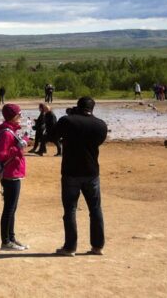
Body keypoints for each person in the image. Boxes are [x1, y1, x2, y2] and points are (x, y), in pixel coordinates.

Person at [46, 97, 108, 256]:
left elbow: (52, 135)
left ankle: (70, 247)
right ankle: (98, 246)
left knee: (70, 210)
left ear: (78, 106)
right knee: (95, 209)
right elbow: (97, 142)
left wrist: (50, 116)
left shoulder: (67, 121)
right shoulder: (101, 125)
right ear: (92, 108)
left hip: (71, 171)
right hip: (91, 171)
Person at [0, 104, 30, 251]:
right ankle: (6, 242)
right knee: (9, 209)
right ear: (12, 116)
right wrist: (18, 147)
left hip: (14, 174)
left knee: (12, 208)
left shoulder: (11, 132)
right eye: (19, 114)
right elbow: (1, 155)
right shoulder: (7, 133)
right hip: (10, 175)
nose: (21, 117)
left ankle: (12, 239)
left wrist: (25, 138)